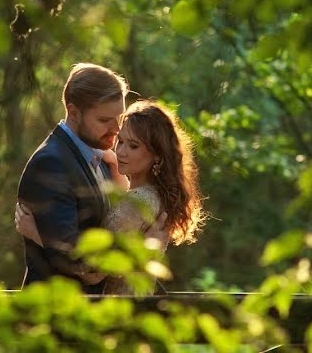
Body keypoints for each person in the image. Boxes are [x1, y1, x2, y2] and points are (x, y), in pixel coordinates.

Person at [16, 99, 205, 294]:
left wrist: (36, 234)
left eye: (133, 146)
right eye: (120, 141)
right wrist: (115, 167)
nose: (121, 152)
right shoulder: (154, 195)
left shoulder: (137, 202)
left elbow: (92, 272)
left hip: (120, 307)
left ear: (157, 155)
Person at [16, 62, 141, 292]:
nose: (116, 129)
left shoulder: (99, 157)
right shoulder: (51, 163)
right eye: (104, 120)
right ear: (74, 113)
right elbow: (69, 254)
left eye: (119, 118)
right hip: (54, 313)